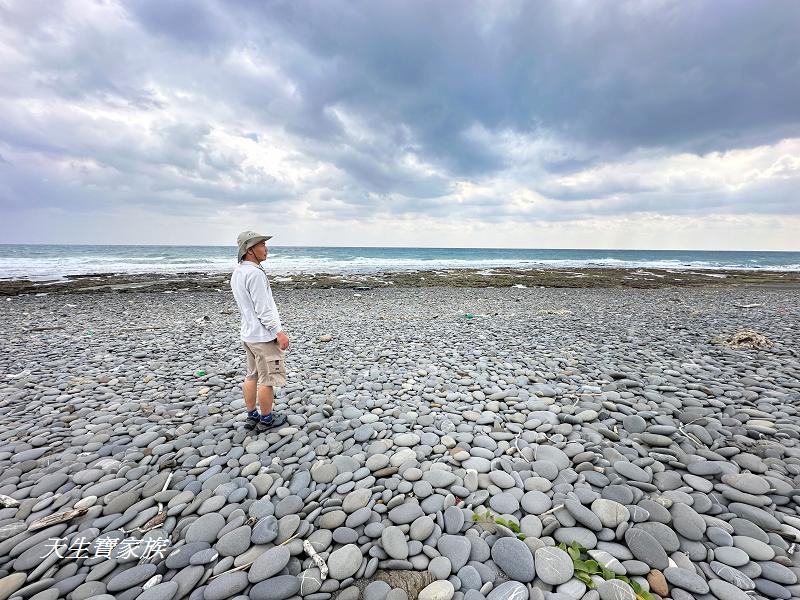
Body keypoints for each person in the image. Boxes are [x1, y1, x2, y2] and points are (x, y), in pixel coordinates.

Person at [231, 230, 290, 432]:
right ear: (250, 250)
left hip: (248, 334)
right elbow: (263, 309)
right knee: (267, 380)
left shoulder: (238, 272)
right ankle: (266, 419)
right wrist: (278, 332)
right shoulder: (255, 274)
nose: (266, 248)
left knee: (251, 375)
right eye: (262, 244)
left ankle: (251, 415)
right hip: (263, 336)